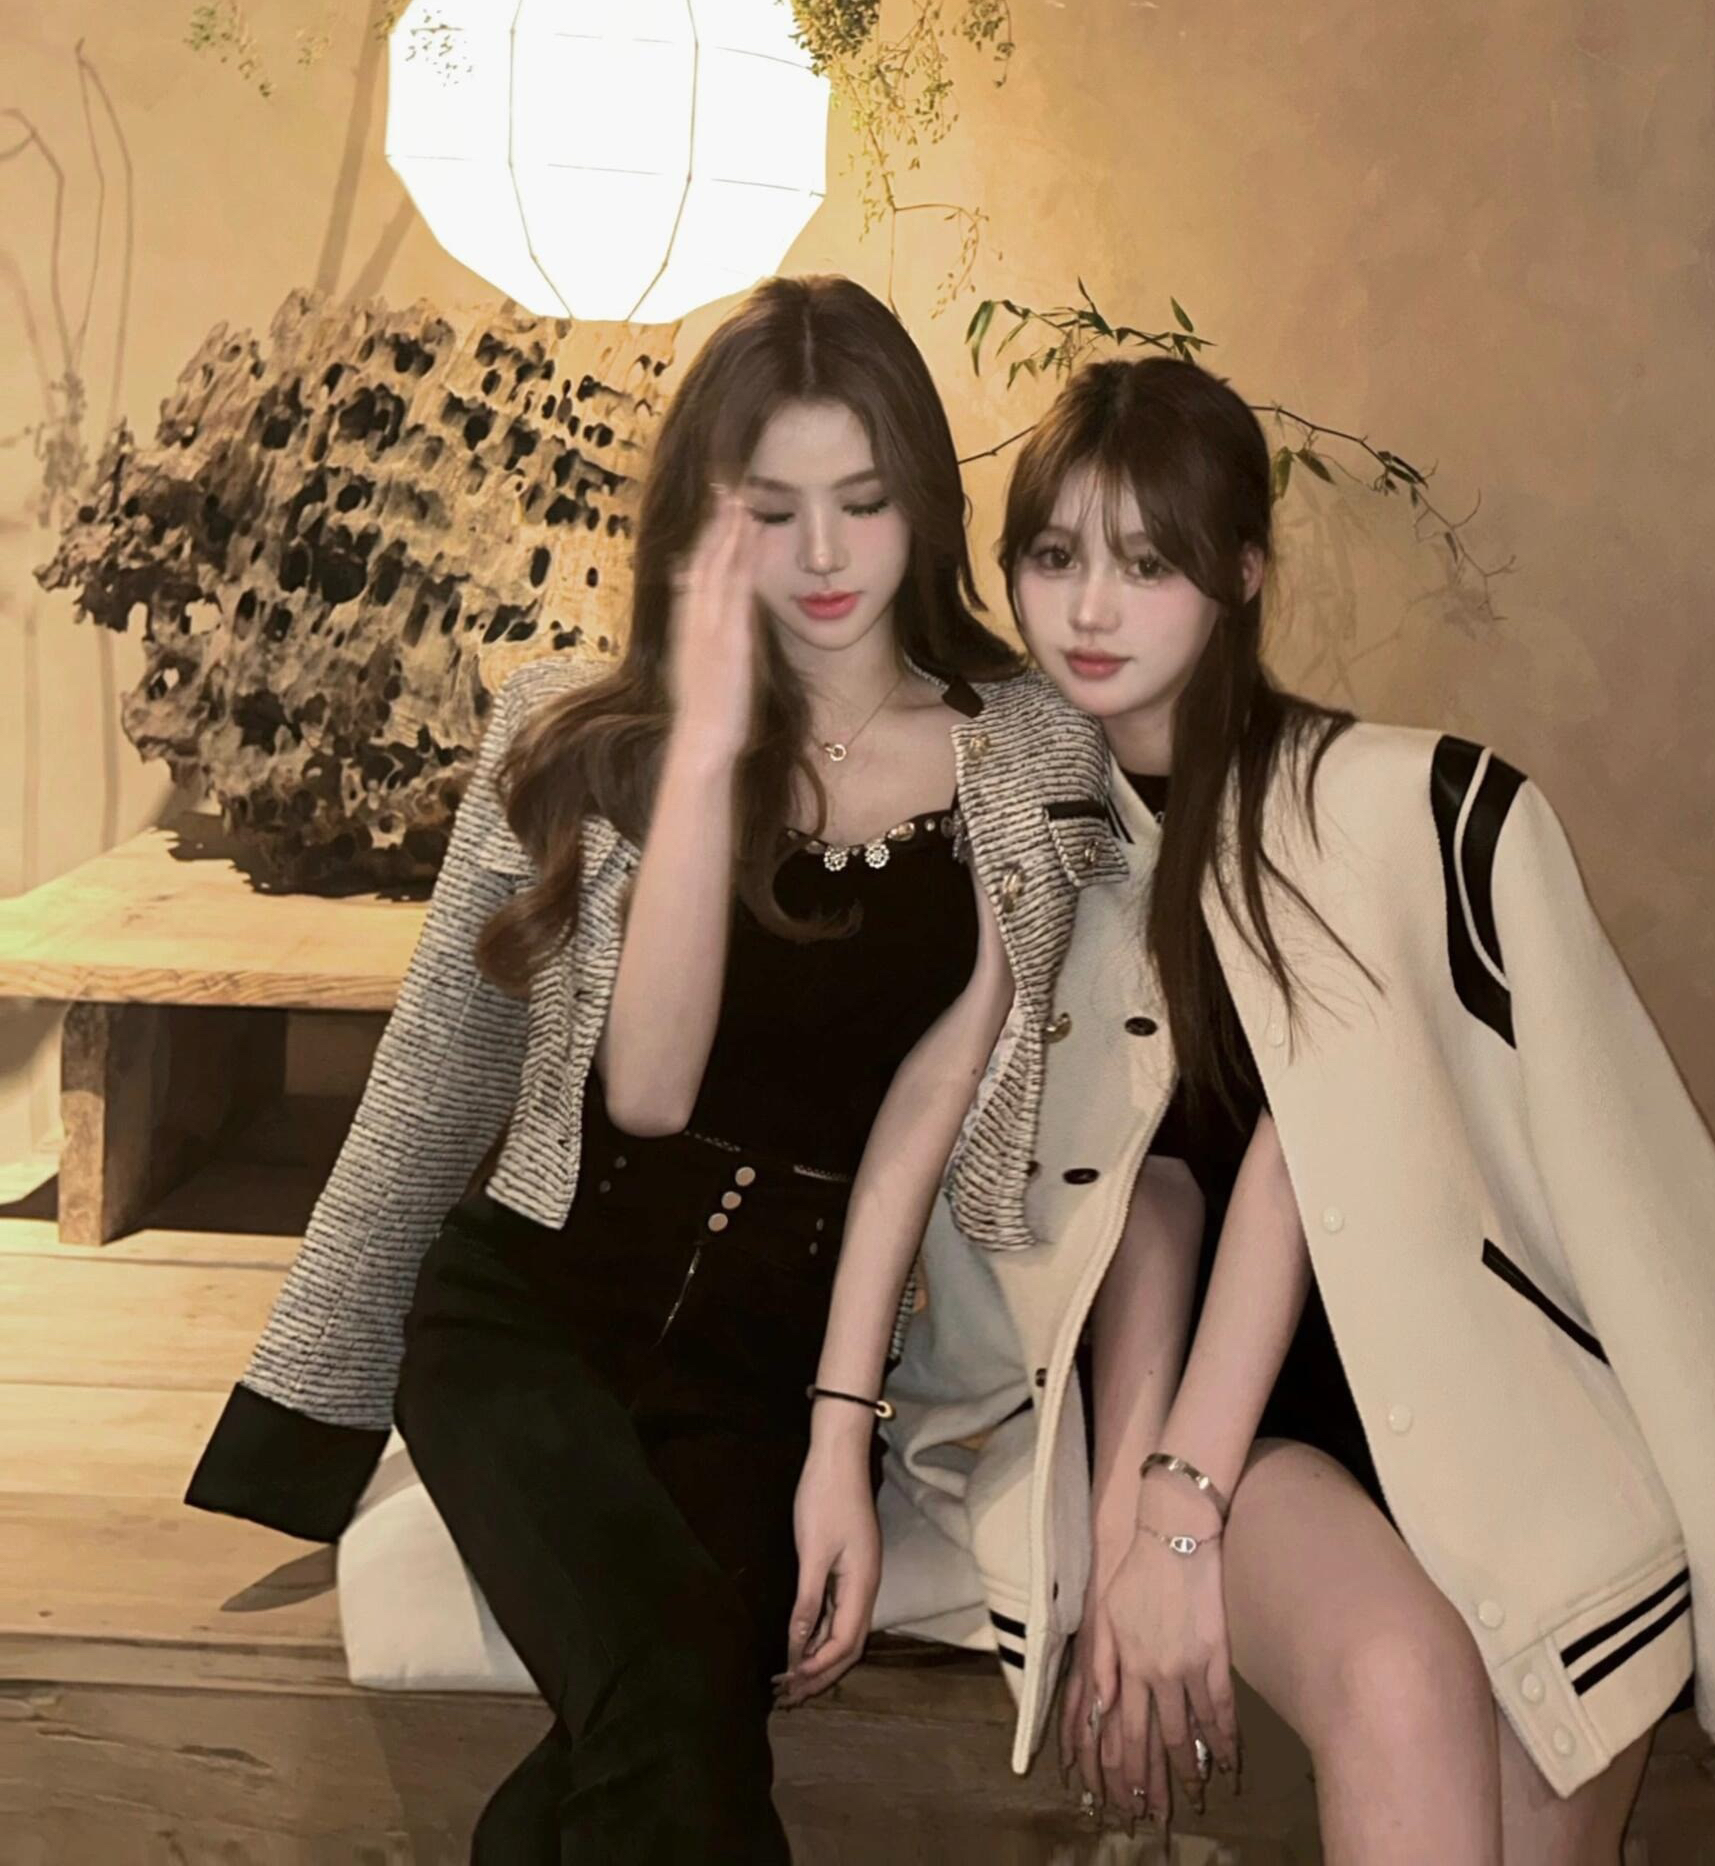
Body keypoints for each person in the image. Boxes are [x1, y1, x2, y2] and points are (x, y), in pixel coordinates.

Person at [871, 352, 1715, 1866]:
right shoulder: (1031, 841)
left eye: (1147, 563)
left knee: (1550, 1682)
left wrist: (1172, 1511)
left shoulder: (1387, 814)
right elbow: (1141, 1208)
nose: (1089, 608)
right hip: (1245, 1409)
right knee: (1399, 1674)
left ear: (1242, 571)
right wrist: (1161, 1516)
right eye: (1054, 555)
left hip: (1463, 1380)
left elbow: (1333, 1152)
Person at [183, 274, 1102, 1864]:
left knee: (662, 1733)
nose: (824, 557)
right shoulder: (569, 730)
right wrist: (707, 743)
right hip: (527, 1318)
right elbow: (580, 1087)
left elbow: (934, 1108)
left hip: (770, 1358)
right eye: (773, 512)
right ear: (704, 523)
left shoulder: (1023, 750)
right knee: (676, 1695)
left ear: (924, 502)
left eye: (864, 502)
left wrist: (841, 1435)